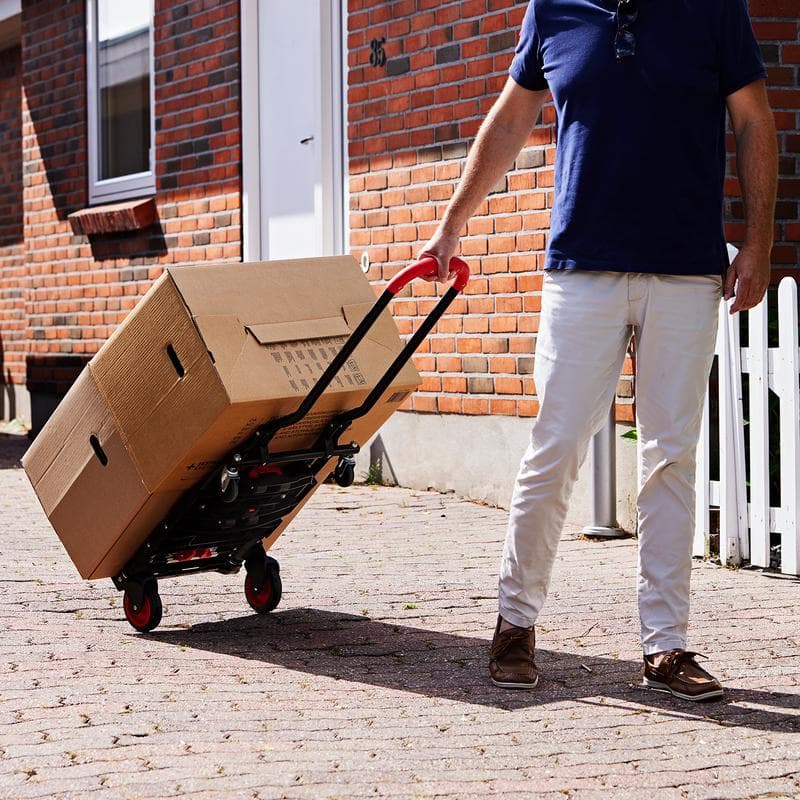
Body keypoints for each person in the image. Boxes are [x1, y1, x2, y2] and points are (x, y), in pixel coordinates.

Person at [419, 0, 777, 700]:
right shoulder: (553, 10)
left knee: (670, 455)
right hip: (582, 267)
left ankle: (666, 646)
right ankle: (515, 624)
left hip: (684, 270)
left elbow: (754, 119)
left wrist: (759, 241)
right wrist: (453, 222)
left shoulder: (713, 10)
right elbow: (512, 118)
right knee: (554, 448)